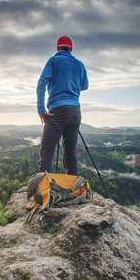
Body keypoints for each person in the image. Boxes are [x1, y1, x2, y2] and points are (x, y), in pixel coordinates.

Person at [36, 36, 89, 176]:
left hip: (57, 110)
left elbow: (42, 83)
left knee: (47, 150)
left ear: (57, 48)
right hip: (75, 111)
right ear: (71, 49)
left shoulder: (53, 60)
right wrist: (71, 84)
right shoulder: (80, 64)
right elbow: (85, 86)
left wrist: (41, 109)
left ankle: (45, 188)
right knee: (70, 151)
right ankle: (73, 187)